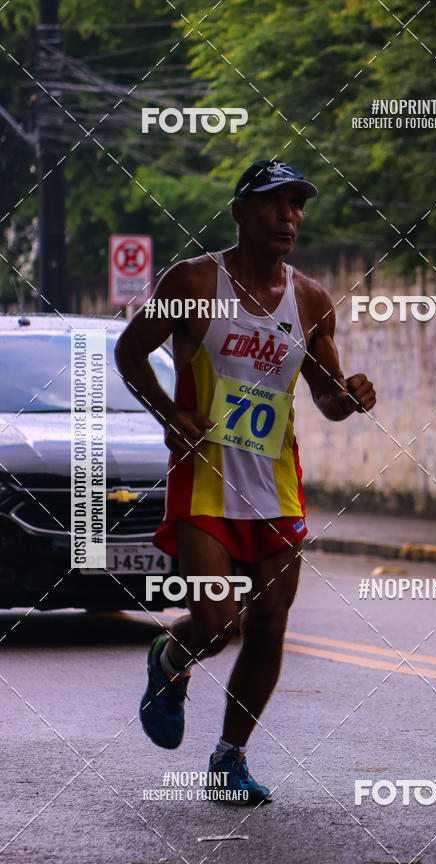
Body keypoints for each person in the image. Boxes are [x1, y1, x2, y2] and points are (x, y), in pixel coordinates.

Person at [115, 159, 376, 805]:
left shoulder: (311, 301)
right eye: (273, 203)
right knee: (216, 617)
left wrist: (353, 396)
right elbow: (129, 350)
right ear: (239, 212)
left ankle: (230, 759)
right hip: (203, 483)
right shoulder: (195, 280)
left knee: (268, 623)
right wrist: (170, 413)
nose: (288, 216)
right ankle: (169, 663)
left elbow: (327, 396)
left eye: (297, 205)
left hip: (275, 487)